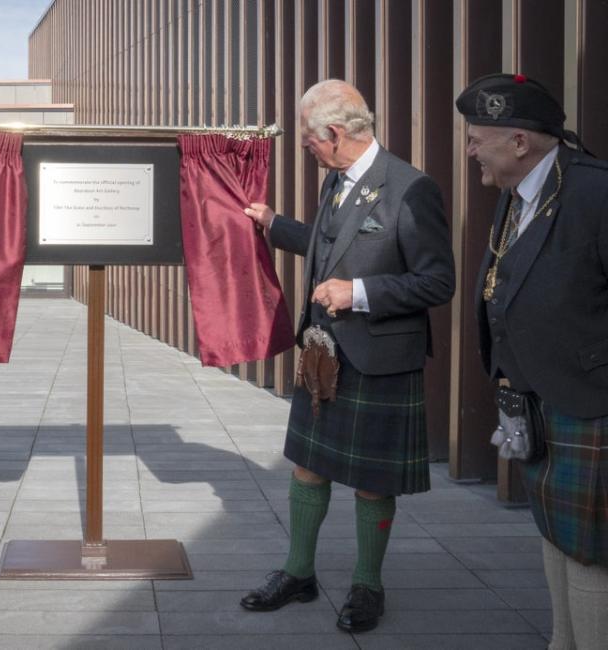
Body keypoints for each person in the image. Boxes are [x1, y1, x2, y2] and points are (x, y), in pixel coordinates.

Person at [239, 79, 455, 633]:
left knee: (371, 482)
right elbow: (330, 244)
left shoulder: (411, 188)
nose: (305, 149)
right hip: (324, 355)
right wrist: (271, 225)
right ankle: (299, 573)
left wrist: (357, 293)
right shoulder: (337, 181)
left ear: (334, 134)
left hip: (379, 358)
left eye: (309, 140)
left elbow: (438, 281)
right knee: (308, 467)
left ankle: (367, 586)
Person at [456, 73, 608, 649]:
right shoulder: (519, 191)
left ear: (519, 142)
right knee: (554, 537)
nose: (470, 150)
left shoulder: (595, 190)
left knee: (591, 553)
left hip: (590, 405)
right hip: (536, 401)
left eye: (478, 138)